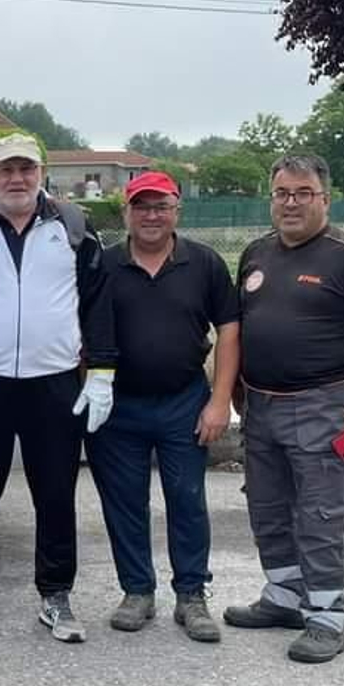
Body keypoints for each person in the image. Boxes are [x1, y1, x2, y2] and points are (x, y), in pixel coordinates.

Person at [0, 132, 117, 642]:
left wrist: (102, 372)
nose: (16, 179)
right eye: (6, 170)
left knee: (55, 492)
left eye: (26, 169)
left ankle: (56, 595)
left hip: (53, 381)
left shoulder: (73, 226)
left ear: (42, 173)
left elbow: (97, 302)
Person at [225, 153, 344, 663]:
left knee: (322, 513)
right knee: (268, 507)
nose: (292, 203)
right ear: (271, 197)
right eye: (283, 193)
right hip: (260, 406)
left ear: (325, 198)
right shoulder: (255, 254)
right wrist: (235, 391)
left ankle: (326, 615)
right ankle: (283, 597)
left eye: (304, 194)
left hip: (325, 405)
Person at [84, 171, 239, 642]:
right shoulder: (102, 266)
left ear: (177, 211)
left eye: (161, 206)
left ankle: (191, 596)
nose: (151, 215)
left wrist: (220, 402)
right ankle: (137, 591)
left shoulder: (206, 263)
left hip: (184, 402)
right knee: (124, 504)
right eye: (141, 206)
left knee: (187, 500)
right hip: (118, 405)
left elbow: (230, 331)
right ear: (127, 213)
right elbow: (75, 331)